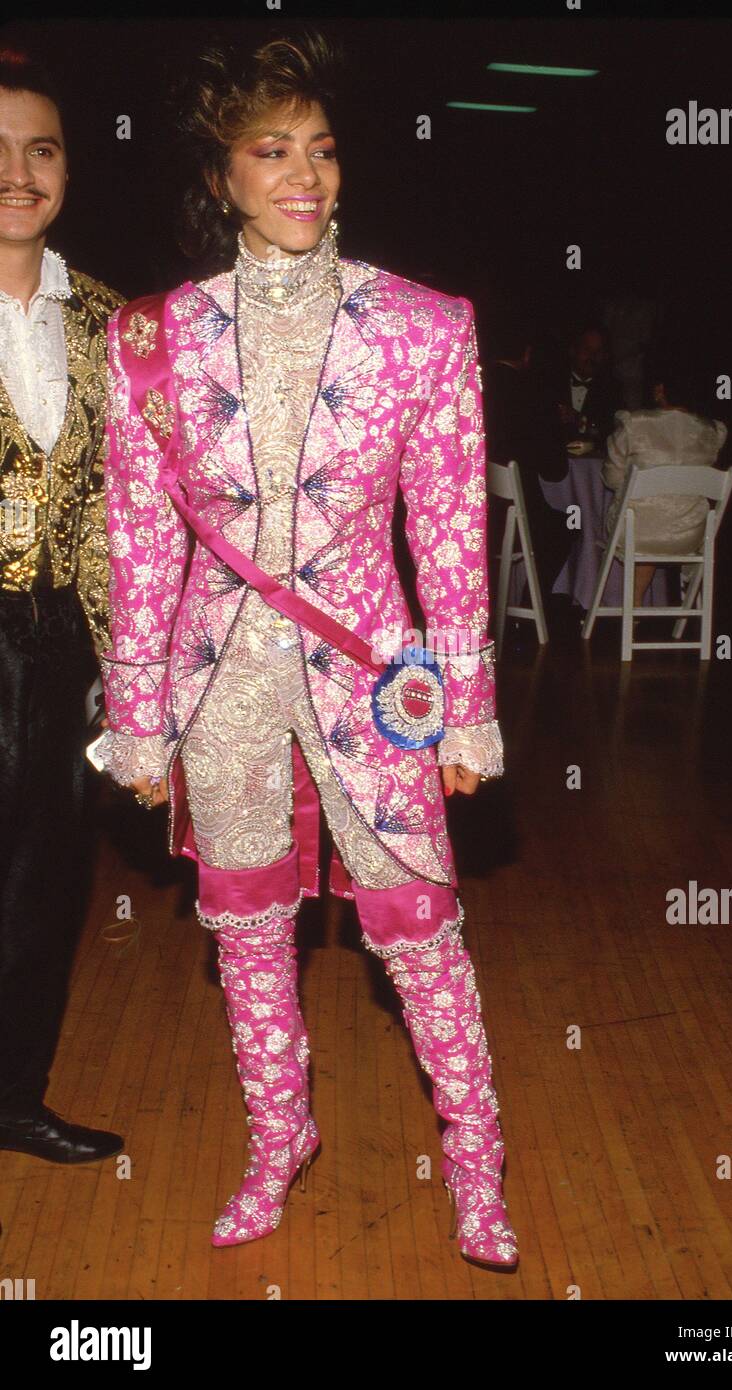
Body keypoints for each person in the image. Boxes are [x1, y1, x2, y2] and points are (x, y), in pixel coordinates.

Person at [97, 30, 518, 1269]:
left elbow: (448, 532)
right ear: (219, 174)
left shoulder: (425, 327)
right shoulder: (149, 341)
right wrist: (137, 718)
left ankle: (479, 1166)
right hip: (215, 683)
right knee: (245, 929)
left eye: (322, 151)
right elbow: (138, 546)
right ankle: (278, 1140)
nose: (304, 176)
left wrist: (468, 714)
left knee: (421, 928)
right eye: (270, 150)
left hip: (379, 681)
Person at [0, 46, 125, 1163]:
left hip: (65, 640)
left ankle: (13, 1097)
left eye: (39, 148)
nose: (17, 170)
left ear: (69, 172)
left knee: (44, 878)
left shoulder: (111, 322)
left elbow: (141, 498)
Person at [601, 357, 728, 604]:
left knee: (639, 518)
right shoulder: (712, 432)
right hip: (690, 535)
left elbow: (612, 477)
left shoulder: (634, 424)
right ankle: (641, 602)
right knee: (656, 518)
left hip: (638, 531)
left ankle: (622, 602)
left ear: (660, 390)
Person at [482, 314, 567, 598]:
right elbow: (555, 470)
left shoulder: (472, 386)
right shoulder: (536, 393)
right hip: (517, 516)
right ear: (527, 353)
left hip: (472, 511)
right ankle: (532, 606)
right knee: (563, 528)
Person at [557, 324, 618, 451]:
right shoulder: (553, 383)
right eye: (587, 349)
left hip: (595, 465)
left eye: (598, 351)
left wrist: (581, 420)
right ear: (573, 350)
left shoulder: (612, 388)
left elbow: (615, 433)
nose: (592, 356)